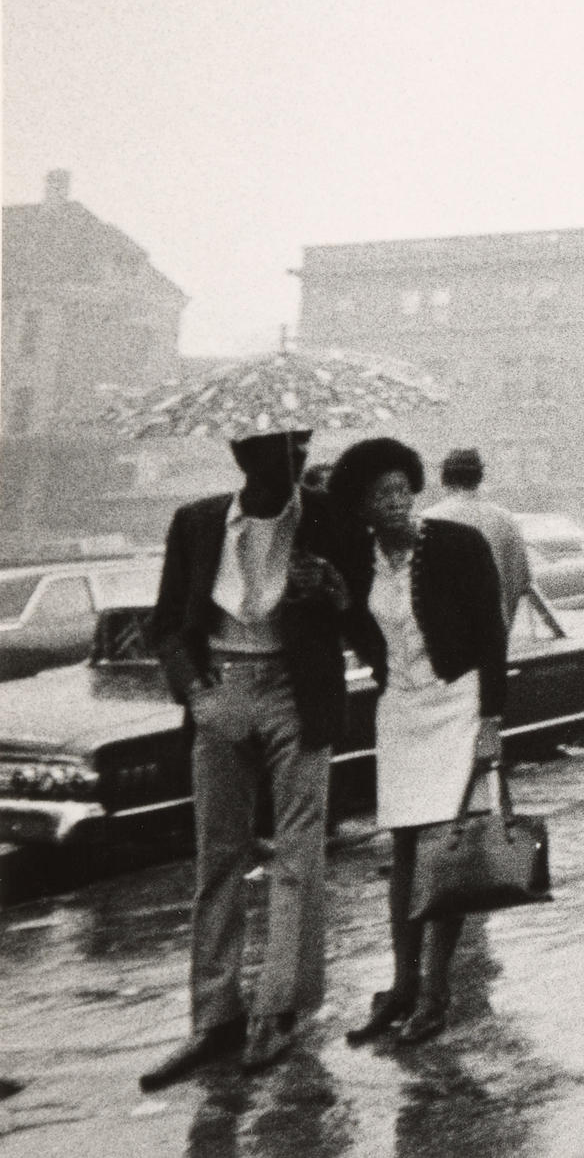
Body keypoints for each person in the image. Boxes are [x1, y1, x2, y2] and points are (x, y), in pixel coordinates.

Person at [139, 428, 380, 1087]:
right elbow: (163, 622)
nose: (298, 468)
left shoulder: (333, 520)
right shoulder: (196, 521)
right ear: (247, 463)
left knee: (298, 854)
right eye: (284, 458)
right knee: (218, 856)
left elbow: (363, 621)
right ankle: (214, 1019)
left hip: (298, 694)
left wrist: (334, 591)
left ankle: (278, 1009)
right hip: (220, 689)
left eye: (303, 454)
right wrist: (196, 692)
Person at [330, 437, 508, 1049]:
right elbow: (366, 635)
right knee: (404, 850)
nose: (398, 503)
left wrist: (491, 720)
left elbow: (492, 632)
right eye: (382, 495)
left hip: (457, 704)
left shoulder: (458, 545)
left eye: (403, 489)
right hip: (401, 709)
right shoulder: (360, 560)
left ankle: (436, 991)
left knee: (444, 851)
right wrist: (339, 603)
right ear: (363, 508)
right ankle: (401, 986)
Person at [426, 447, 539, 634]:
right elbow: (520, 580)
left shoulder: (428, 520)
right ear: (479, 478)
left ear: (445, 479)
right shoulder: (504, 519)